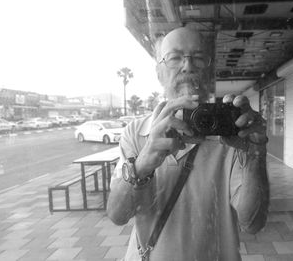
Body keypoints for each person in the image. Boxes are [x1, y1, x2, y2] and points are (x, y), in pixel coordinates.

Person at [107, 27, 269, 261]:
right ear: (159, 72)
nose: (188, 65)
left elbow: (253, 223)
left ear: (209, 70)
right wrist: (143, 163)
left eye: (199, 58)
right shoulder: (136, 132)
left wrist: (255, 153)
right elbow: (117, 215)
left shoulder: (232, 132)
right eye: (174, 58)